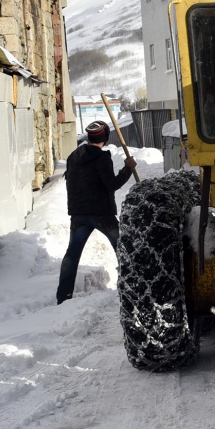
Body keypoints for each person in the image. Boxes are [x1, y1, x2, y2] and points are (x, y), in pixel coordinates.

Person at [56, 120, 136, 304]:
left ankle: (63, 297)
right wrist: (128, 169)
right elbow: (112, 185)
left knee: (72, 254)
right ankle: (132, 288)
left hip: (78, 214)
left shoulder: (73, 156)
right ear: (105, 137)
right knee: (123, 249)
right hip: (101, 214)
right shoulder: (101, 157)